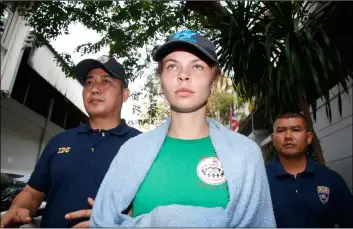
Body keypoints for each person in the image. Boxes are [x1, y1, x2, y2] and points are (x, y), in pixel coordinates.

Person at [89, 30, 276, 227]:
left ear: (214, 79)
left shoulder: (246, 154)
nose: (183, 76)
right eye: (172, 66)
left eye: (197, 66)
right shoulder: (131, 151)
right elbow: (103, 222)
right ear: (161, 79)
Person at [0, 55, 141, 228]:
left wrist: (116, 220)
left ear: (124, 95)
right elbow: (32, 192)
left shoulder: (142, 145)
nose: (95, 89)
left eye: (106, 82)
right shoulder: (59, 141)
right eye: (89, 83)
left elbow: (150, 206)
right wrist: (19, 207)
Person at [266, 112, 353, 228]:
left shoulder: (330, 179)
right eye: (281, 130)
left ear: (308, 138)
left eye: (296, 130)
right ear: (273, 138)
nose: (288, 136)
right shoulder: (259, 179)